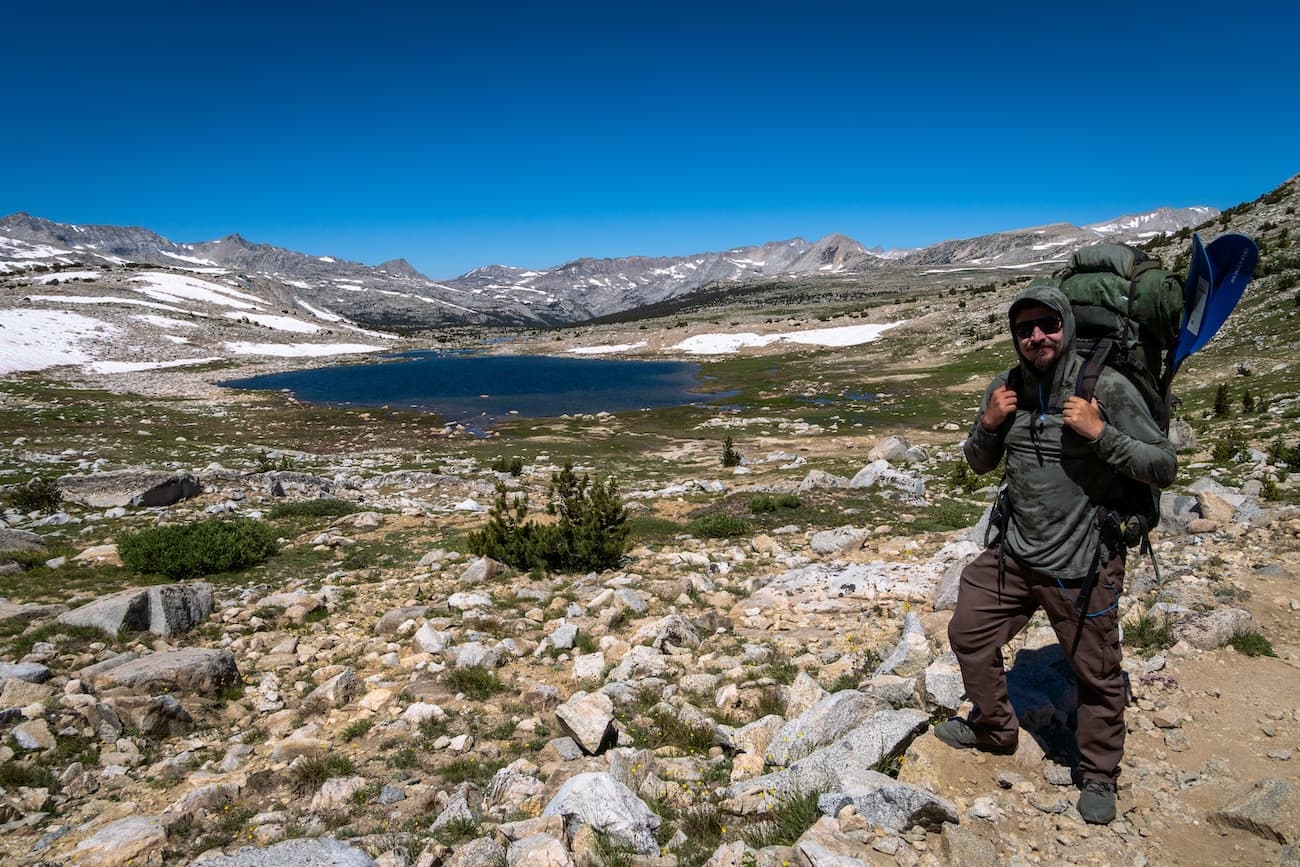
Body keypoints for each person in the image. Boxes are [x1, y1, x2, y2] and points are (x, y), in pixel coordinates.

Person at [934, 280, 1176, 825]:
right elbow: (977, 463)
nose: (1038, 336)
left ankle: (1098, 772)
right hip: (1015, 555)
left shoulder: (1105, 389)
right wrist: (988, 425)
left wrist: (1100, 434)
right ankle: (995, 729)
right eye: (1026, 329)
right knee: (967, 633)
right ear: (1015, 336)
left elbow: (1163, 465)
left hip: (1084, 563)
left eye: (1048, 325)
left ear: (1066, 326)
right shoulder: (1006, 388)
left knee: (1095, 672)